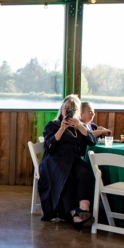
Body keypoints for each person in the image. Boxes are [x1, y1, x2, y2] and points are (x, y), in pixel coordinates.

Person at [38, 95, 96, 230]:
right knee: (66, 177)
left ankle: (84, 210)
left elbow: (92, 141)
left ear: (77, 112)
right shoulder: (52, 125)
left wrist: (80, 126)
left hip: (73, 160)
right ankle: (74, 214)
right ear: (62, 109)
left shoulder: (79, 127)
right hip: (54, 161)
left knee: (85, 173)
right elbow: (48, 146)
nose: (68, 111)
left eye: (72, 109)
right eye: (66, 108)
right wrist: (62, 128)